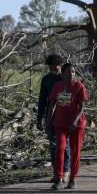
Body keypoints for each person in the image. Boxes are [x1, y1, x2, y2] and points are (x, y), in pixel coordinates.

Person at [48, 62, 89, 190]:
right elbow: (52, 105)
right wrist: (48, 121)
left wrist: (75, 121)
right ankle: (59, 178)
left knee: (75, 152)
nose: (71, 74)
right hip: (61, 122)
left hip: (76, 124)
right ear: (62, 74)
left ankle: (72, 179)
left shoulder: (79, 86)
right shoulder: (57, 86)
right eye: (68, 72)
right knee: (60, 148)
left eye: (73, 72)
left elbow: (82, 106)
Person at [37, 54, 69, 182]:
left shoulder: (66, 79)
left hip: (64, 116)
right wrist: (39, 118)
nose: (52, 69)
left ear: (60, 66)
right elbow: (42, 101)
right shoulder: (46, 79)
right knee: (53, 145)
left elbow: (67, 100)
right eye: (50, 67)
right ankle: (57, 172)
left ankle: (66, 170)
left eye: (55, 67)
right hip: (50, 116)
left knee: (64, 145)